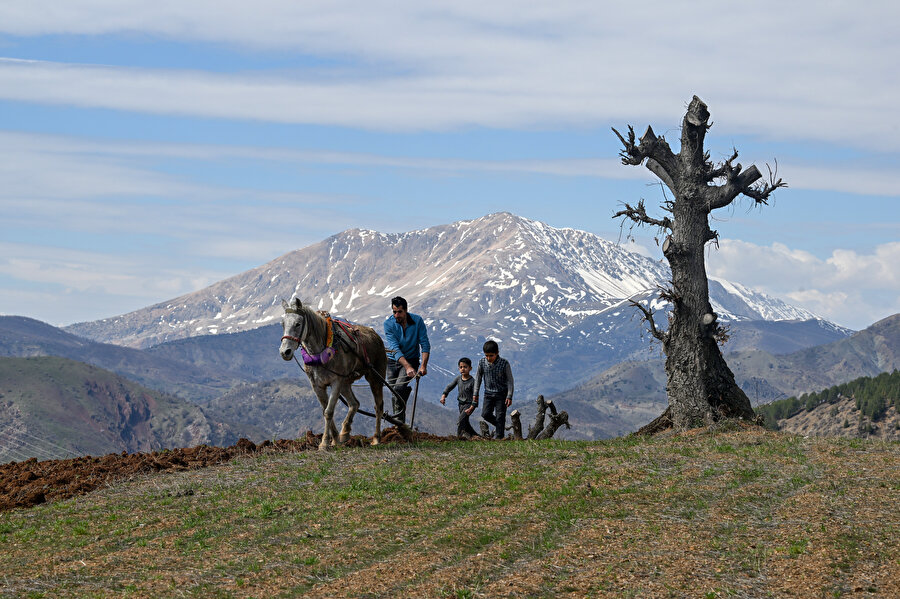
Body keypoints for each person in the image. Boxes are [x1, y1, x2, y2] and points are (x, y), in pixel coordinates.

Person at [383, 296, 430, 423]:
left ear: (406, 310)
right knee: (394, 391)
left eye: (399, 312)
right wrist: (406, 366)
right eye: (394, 312)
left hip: (412, 359)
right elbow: (394, 348)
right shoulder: (388, 324)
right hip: (393, 361)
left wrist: (423, 366)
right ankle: (400, 422)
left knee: (398, 389)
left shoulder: (417, 321)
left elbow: (425, 344)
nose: (396, 315)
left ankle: (398, 423)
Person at [473, 339, 514, 439]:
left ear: (497, 353)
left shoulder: (504, 363)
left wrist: (509, 395)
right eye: (486, 355)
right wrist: (475, 393)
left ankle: (499, 438)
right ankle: (501, 426)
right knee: (485, 414)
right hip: (488, 394)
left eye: (491, 355)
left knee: (500, 416)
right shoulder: (482, 363)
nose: (488, 358)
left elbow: (510, 381)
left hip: (501, 394)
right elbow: (478, 378)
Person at [440, 357, 478, 439]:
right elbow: (450, 386)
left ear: (470, 368)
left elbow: (476, 396)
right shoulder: (458, 379)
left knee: (461, 420)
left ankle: (458, 438)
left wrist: (471, 407)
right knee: (465, 423)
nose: (463, 369)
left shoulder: (473, 382)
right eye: (461, 367)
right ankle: (476, 436)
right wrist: (443, 396)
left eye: (465, 367)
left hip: (469, 404)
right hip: (460, 404)